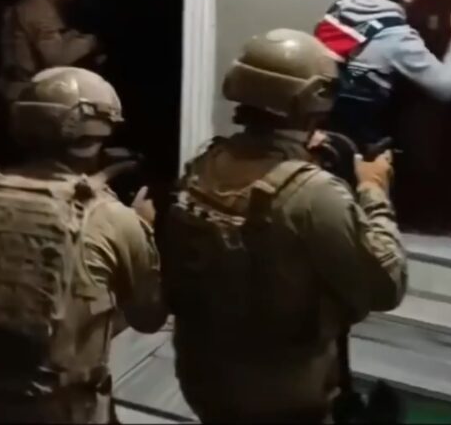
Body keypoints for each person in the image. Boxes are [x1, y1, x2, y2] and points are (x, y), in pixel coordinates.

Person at [161, 28, 407, 422]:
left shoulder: (202, 165)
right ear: (314, 98)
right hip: (285, 397)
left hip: (204, 381)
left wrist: (297, 157)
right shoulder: (315, 195)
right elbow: (386, 286)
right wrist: (374, 190)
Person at [0, 66, 166, 423]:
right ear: (97, 134)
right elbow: (149, 318)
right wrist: (141, 228)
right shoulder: (112, 218)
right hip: (50, 409)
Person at [314, 0, 451, 147]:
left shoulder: (338, 9)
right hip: (356, 144)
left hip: (317, 131)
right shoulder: (396, 36)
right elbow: (447, 87)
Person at [0, 0, 106, 105]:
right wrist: (91, 42)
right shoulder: (38, 7)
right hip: (25, 95)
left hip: (26, 92)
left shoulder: (37, 4)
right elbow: (56, 58)